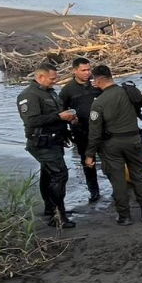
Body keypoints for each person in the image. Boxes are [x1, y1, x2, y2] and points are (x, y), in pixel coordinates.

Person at [85, 65, 142, 226]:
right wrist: (134, 90)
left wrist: (89, 154)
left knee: (118, 180)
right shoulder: (128, 91)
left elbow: (94, 133)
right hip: (134, 141)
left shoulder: (98, 103)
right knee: (138, 176)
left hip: (112, 145)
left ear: (98, 80)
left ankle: (125, 216)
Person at [16, 63, 77, 228]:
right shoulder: (29, 95)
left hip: (54, 140)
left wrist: (66, 124)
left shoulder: (50, 92)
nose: (55, 81)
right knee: (60, 175)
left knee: (49, 174)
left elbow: (54, 116)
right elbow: (31, 120)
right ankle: (58, 216)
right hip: (41, 142)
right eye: (52, 78)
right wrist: (59, 117)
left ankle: (51, 209)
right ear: (40, 77)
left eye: (56, 78)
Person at [58, 57, 102, 202]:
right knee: (88, 161)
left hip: (101, 129)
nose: (87, 73)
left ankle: (116, 186)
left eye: (89, 69)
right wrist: (65, 133)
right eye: (83, 70)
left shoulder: (96, 85)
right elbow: (61, 113)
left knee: (109, 158)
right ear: (74, 71)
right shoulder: (67, 90)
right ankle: (93, 190)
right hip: (81, 131)